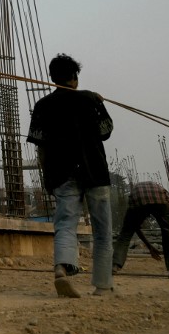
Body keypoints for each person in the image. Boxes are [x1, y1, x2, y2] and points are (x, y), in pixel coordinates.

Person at [27, 53, 114, 298]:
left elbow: (40, 146)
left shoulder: (43, 106)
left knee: (65, 224)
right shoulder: (90, 100)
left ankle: (61, 269)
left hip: (62, 172)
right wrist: (99, 102)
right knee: (102, 230)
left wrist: (46, 176)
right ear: (75, 77)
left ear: (53, 78)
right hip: (94, 171)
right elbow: (106, 131)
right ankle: (103, 286)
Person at [113, 181, 169, 279]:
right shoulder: (165, 195)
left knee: (126, 233)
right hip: (159, 199)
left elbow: (134, 226)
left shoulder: (136, 193)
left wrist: (149, 247)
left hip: (138, 197)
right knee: (167, 232)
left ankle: (115, 266)